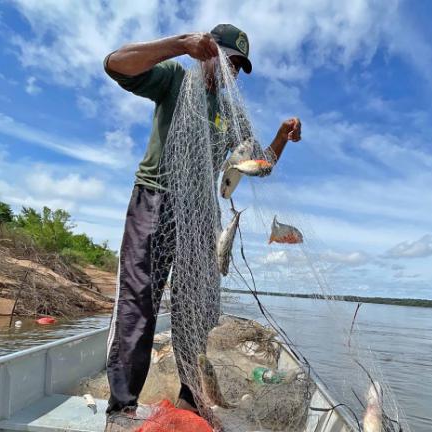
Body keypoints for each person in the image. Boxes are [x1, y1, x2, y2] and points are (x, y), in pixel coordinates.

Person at [103, 24, 302, 431]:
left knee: (198, 311)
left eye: (238, 66)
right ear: (208, 51)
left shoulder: (231, 115)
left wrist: (282, 135)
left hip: (201, 217)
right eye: (227, 59)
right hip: (156, 198)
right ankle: (122, 407)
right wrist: (178, 45)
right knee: (139, 302)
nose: (230, 69)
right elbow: (116, 66)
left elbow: (259, 164)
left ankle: (190, 402)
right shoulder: (175, 79)